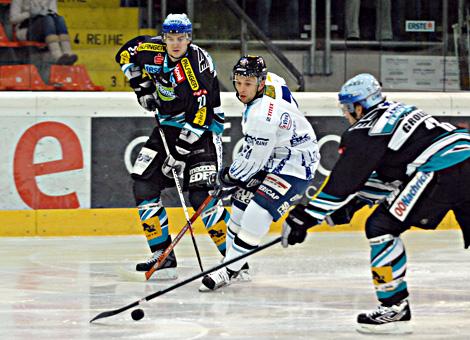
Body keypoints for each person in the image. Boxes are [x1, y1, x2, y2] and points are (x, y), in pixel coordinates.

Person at [282, 73, 470, 334]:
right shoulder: (399, 111)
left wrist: (304, 217)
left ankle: (394, 307)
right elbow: (387, 176)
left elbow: (342, 183)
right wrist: (350, 207)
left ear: (358, 106)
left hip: (443, 167)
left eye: (347, 109)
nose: (347, 115)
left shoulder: (365, 129)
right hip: (464, 152)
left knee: (381, 226)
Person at [115, 13, 230, 279]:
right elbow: (124, 54)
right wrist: (141, 88)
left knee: (201, 196)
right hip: (167, 126)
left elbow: (201, 115)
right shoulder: (149, 48)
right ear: (163, 37)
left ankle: (233, 258)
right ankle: (162, 252)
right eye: (171, 38)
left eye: (181, 38)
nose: (176, 44)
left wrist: (179, 153)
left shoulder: (196, 66)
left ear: (189, 38)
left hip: (202, 130)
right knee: (143, 184)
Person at [199, 55, 321, 291]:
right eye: (238, 82)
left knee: (258, 210)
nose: (242, 89)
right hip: (275, 153)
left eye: (248, 84)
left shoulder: (261, 116)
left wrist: (226, 178)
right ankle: (237, 262)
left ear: (261, 83)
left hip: (296, 162)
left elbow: (251, 163)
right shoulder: (273, 80)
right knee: (238, 209)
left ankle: (229, 269)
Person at [9, 0, 78, 65]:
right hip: (25, 30)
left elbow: (54, 13)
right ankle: (57, 56)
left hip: (46, 30)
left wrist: (45, 12)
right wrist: (29, 14)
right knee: (47, 19)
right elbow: (12, 19)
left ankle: (68, 53)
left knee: (60, 19)